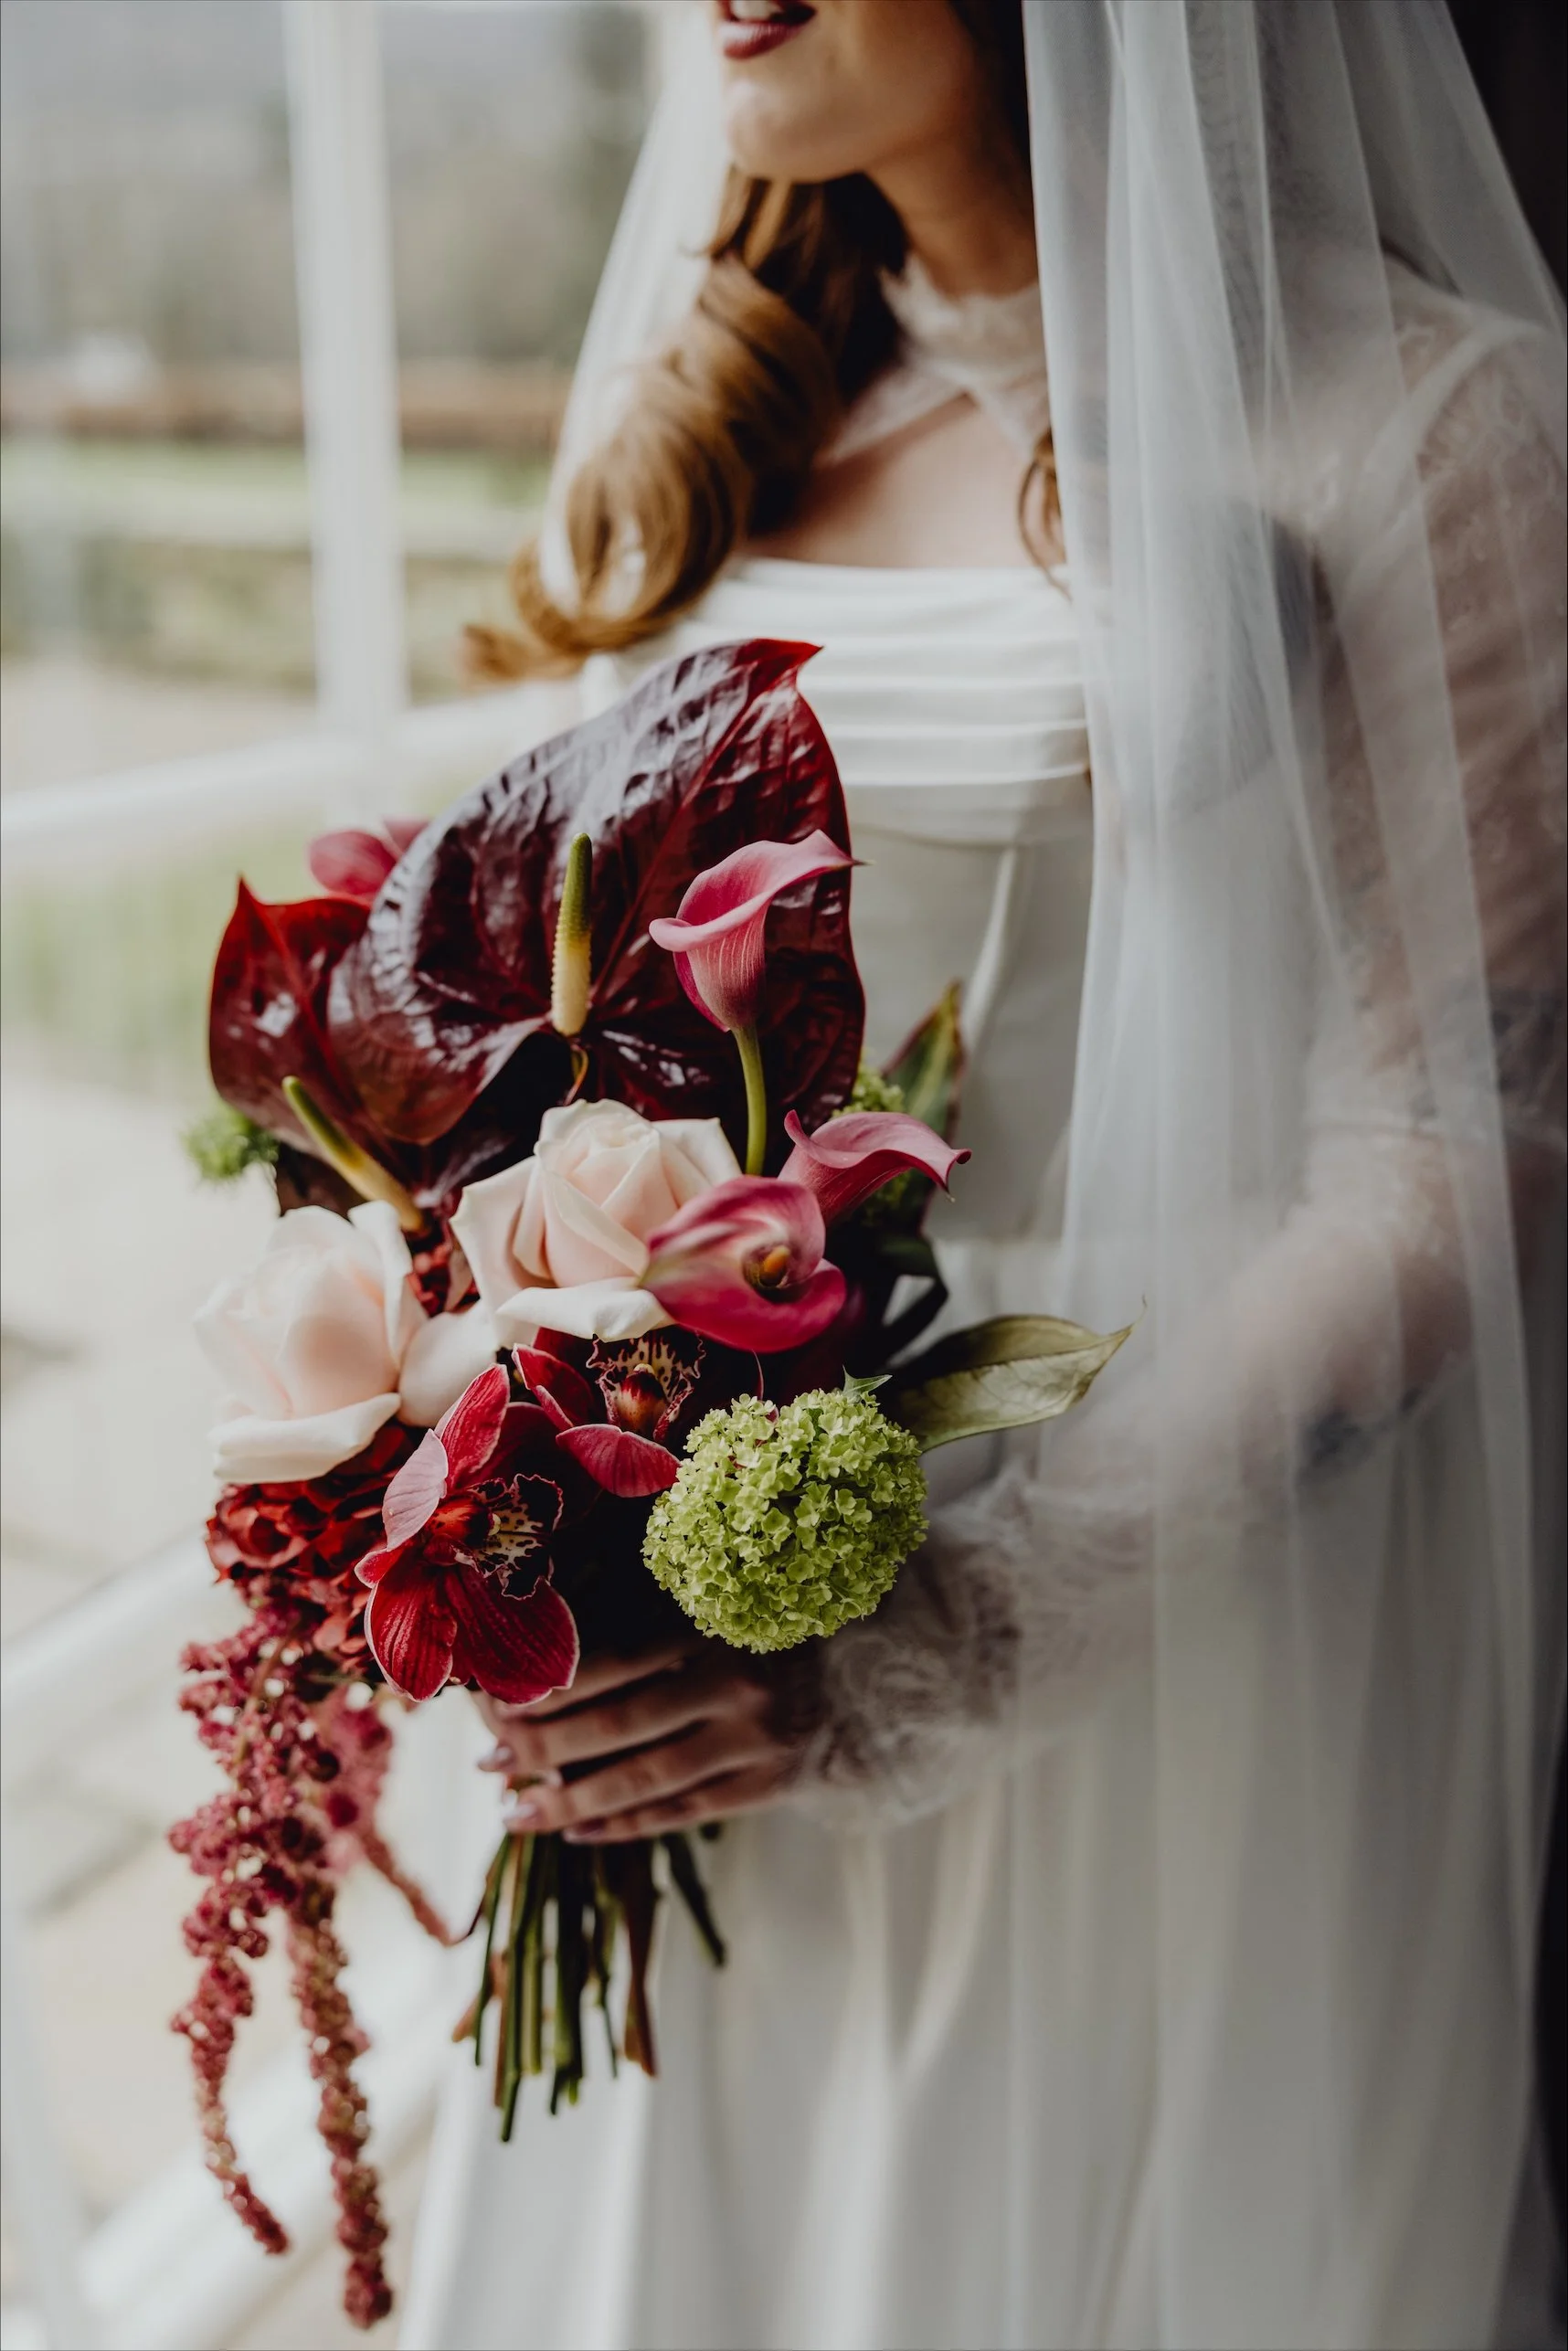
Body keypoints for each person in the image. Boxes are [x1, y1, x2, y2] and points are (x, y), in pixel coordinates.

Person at [403, 5, 1567, 2346]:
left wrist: (960, 1623)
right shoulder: (724, 411)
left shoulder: (1416, 417)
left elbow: (1462, 1132)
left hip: (1143, 1588)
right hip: (682, 1595)